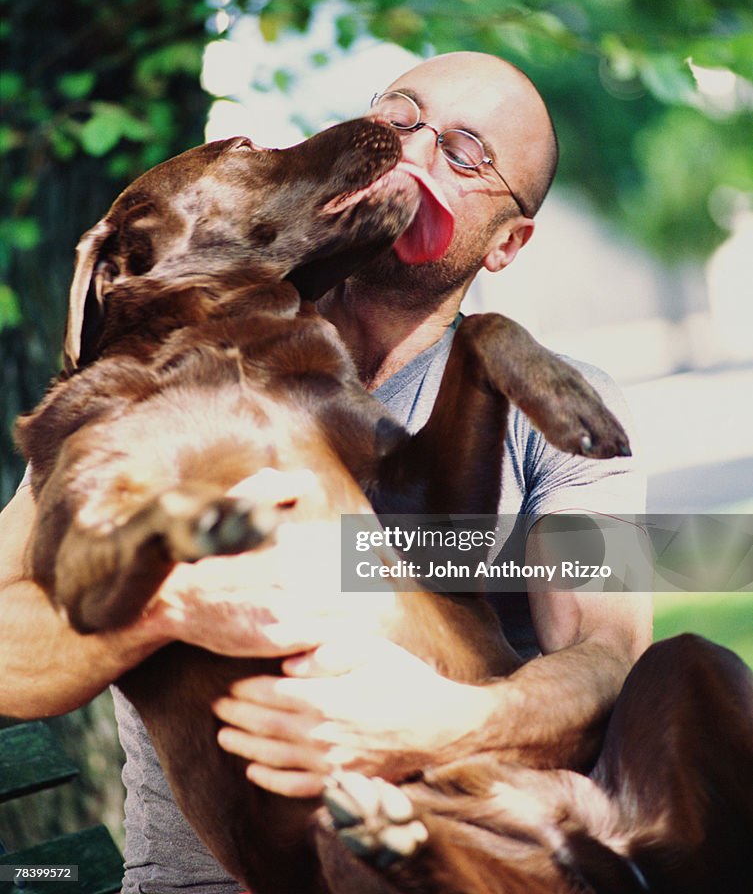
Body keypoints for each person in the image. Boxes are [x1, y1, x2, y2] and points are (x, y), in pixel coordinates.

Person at [0, 51, 651, 893]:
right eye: (400, 118)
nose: (416, 151)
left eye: (464, 152)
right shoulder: (163, 376)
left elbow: (608, 658)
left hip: (459, 855)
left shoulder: (566, 408)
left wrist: (444, 724)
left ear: (506, 243)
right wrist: (174, 600)